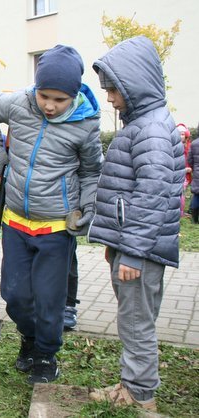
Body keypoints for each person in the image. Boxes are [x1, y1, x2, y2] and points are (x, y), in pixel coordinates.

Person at [0, 45, 102, 383]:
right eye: (44, 95)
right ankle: (29, 338)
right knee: (15, 296)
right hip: (15, 221)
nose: (49, 105)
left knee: (49, 300)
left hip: (56, 226)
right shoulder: (19, 103)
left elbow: (91, 171)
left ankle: (45, 354)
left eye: (59, 100)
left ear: (73, 96)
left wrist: (88, 207)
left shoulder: (86, 124)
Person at [88, 36, 186, 412]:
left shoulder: (151, 130)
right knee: (135, 319)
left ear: (135, 84)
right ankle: (133, 383)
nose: (110, 98)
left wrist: (130, 251)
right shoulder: (147, 124)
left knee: (135, 321)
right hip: (136, 247)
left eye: (114, 89)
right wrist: (118, 242)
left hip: (140, 253)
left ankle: (140, 394)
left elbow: (152, 195)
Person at [177, 123, 192, 217]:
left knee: (182, 193)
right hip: (176, 173)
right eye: (179, 133)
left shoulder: (188, 146)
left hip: (184, 175)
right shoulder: (171, 145)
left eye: (182, 134)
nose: (180, 136)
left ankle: (180, 213)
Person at [189, 126, 199, 224]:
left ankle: (195, 219)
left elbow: (190, 159)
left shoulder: (194, 143)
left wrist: (195, 168)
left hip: (197, 173)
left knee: (197, 194)